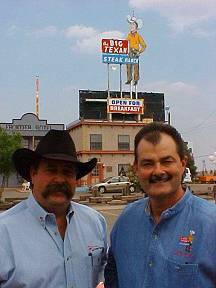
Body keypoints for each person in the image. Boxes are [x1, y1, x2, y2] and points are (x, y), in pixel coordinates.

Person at [104, 122, 216, 287]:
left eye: (166, 161)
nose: (158, 171)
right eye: (148, 163)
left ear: (183, 163)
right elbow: (112, 280)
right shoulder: (125, 222)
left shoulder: (211, 224)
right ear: (136, 168)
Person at [0, 129, 107, 288]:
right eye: (51, 170)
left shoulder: (95, 223)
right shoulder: (4, 231)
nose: (59, 179)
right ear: (33, 173)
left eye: (67, 172)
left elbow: (103, 275)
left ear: (75, 179)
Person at [125, 15, 147, 86]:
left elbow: (144, 45)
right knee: (128, 65)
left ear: (136, 27)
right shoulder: (129, 35)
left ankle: (136, 79)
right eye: (131, 24)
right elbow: (125, 42)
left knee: (136, 67)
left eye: (133, 24)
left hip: (135, 52)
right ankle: (129, 79)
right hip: (129, 52)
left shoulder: (138, 36)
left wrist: (139, 52)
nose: (131, 26)